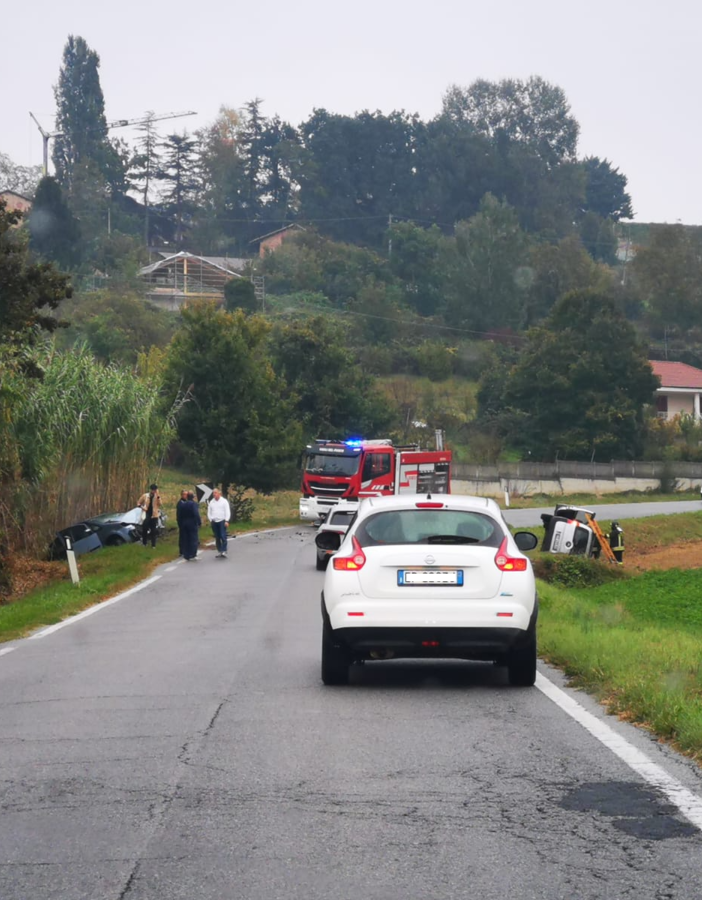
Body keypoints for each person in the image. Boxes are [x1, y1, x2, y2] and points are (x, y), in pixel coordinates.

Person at [207, 488, 231, 558]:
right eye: (213, 493)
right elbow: (209, 512)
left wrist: (226, 520)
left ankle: (224, 550)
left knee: (223, 536)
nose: (214, 494)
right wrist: (211, 519)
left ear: (219, 493)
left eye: (215, 493)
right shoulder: (212, 502)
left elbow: (227, 511)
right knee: (217, 537)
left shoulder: (224, 501)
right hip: (214, 521)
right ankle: (220, 550)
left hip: (222, 521)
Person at [138, 483, 162, 548]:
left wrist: (158, 496)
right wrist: (142, 507)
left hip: (154, 515)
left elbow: (160, 504)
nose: (154, 491)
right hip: (147, 514)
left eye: (155, 490)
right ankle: (144, 543)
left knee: (153, 530)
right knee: (145, 528)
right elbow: (138, 503)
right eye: (153, 490)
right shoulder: (145, 496)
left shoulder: (157, 497)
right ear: (151, 490)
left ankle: (153, 545)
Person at [180, 491, 202, 561]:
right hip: (192, 523)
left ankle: (186, 555)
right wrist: (199, 522)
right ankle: (193, 554)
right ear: (192, 497)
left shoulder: (183, 504)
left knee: (186, 539)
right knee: (194, 538)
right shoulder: (193, 504)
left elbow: (180, 514)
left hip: (184, 523)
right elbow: (196, 513)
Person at [175, 490, 188, 557]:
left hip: (187, 523)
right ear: (182, 495)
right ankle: (181, 551)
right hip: (182, 523)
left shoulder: (188, 502)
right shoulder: (180, 503)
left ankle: (187, 549)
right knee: (182, 537)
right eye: (185, 494)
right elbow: (178, 515)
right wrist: (180, 523)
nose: (186, 496)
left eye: (187, 494)